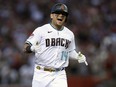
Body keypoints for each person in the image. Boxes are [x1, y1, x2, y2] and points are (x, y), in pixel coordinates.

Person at [23, 3, 88, 87]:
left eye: (64, 14)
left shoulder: (69, 34)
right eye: (57, 13)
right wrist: (31, 48)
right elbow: (25, 47)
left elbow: (69, 51)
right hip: (41, 74)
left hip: (59, 74)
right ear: (51, 15)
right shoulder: (41, 30)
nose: (61, 16)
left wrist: (77, 56)